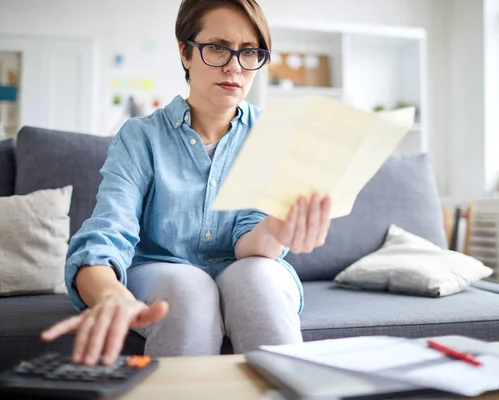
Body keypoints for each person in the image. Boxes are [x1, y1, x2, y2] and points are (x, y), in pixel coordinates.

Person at [41, 0, 332, 367]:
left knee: (258, 280)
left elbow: (250, 243)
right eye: (217, 48)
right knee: (189, 289)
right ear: (185, 52)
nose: (233, 67)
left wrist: (278, 225)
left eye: (249, 53)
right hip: (162, 272)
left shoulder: (271, 135)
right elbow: (108, 232)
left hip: (249, 264)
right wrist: (110, 292)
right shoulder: (140, 137)